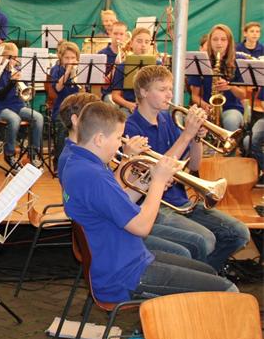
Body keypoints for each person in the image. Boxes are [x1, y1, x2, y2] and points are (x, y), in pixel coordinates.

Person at [61, 101, 237, 303]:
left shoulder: (82, 163)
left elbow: (118, 203)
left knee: (209, 272)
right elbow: (142, 227)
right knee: (228, 291)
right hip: (125, 274)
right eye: (118, 138)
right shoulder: (93, 175)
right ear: (99, 139)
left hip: (127, 258)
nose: (120, 144)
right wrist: (158, 183)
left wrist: (147, 182)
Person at [125, 65, 250, 271]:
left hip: (181, 200)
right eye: (162, 89)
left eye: (170, 88)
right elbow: (158, 170)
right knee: (205, 240)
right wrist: (187, 135)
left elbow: (194, 165)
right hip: (156, 205)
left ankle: (207, 275)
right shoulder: (131, 127)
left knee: (238, 233)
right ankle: (203, 279)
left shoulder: (167, 118)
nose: (169, 94)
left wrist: (196, 138)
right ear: (144, 92)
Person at [58, 92, 210, 261]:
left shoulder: (85, 157)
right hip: (115, 240)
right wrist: (156, 181)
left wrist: (147, 180)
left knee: (196, 243)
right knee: (192, 247)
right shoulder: (83, 165)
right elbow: (118, 202)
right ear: (75, 120)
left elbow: (113, 194)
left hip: (117, 225)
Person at [0, 42, 44, 168]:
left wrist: (25, 87)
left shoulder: (18, 71)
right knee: (14, 119)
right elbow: (0, 96)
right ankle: (9, 154)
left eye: (15, 57)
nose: (14, 61)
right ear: (1, 57)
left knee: (38, 117)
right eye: (10, 57)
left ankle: (33, 153)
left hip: (18, 106)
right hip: (2, 108)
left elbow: (26, 92)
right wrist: (11, 82)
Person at [188, 24, 246, 132]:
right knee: (192, 120)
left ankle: (230, 143)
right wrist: (206, 106)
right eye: (215, 39)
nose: (219, 43)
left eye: (223, 39)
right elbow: (194, 96)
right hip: (207, 107)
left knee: (231, 121)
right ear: (210, 41)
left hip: (231, 108)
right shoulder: (200, 61)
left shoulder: (239, 60)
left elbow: (243, 94)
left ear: (229, 42)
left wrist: (230, 87)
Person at [111, 27, 159, 114]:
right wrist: (129, 105)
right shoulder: (122, 66)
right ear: (131, 43)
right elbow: (115, 95)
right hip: (129, 107)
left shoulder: (158, 65)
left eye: (147, 42)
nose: (143, 45)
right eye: (139, 41)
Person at [50, 41, 81, 163]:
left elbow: (84, 91)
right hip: (62, 107)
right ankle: (59, 160)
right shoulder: (56, 70)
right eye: (67, 58)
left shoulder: (81, 69)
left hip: (79, 107)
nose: (70, 61)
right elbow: (58, 89)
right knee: (62, 128)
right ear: (61, 58)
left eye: (73, 58)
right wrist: (67, 73)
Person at [98, 20, 128, 103]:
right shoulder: (102, 54)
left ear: (126, 36)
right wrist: (116, 67)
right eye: (115, 34)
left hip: (126, 94)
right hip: (109, 93)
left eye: (121, 34)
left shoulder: (129, 54)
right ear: (110, 34)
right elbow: (104, 86)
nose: (118, 37)